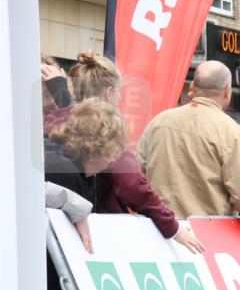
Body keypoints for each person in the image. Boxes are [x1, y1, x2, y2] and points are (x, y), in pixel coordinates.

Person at [42, 51, 204, 253]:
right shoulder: (105, 130)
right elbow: (133, 185)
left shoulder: (56, 119)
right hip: (92, 231)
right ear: (109, 92)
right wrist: (173, 228)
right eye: (120, 92)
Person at [137, 61, 240, 235]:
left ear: (192, 87)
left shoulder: (158, 122)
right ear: (227, 91)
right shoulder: (232, 132)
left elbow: (137, 174)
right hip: (206, 235)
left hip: (158, 231)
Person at [45, 99, 127, 290]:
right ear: (97, 148)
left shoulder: (81, 170)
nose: (113, 159)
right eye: (113, 150)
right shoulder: (62, 170)